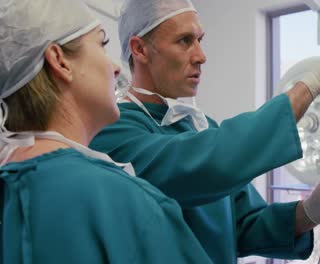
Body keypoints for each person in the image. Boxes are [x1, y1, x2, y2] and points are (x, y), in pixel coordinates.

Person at [90, 0, 320, 262]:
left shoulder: (200, 126)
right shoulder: (111, 131)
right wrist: (311, 84)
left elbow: (244, 226)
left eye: (200, 40)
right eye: (184, 41)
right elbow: (209, 164)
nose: (201, 56)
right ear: (139, 49)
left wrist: (310, 211)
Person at [0, 0, 214, 263]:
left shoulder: (13, 189)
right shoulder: (124, 201)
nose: (115, 66)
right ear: (60, 61)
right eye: (102, 44)